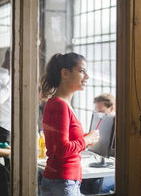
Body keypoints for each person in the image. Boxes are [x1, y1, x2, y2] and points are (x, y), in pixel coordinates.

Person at [39, 52, 100, 196]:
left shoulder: (59, 103)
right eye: (81, 71)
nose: (87, 76)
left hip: (62, 181)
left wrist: (86, 138)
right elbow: (61, 149)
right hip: (62, 182)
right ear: (65, 73)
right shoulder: (60, 105)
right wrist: (87, 140)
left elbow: (63, 144)